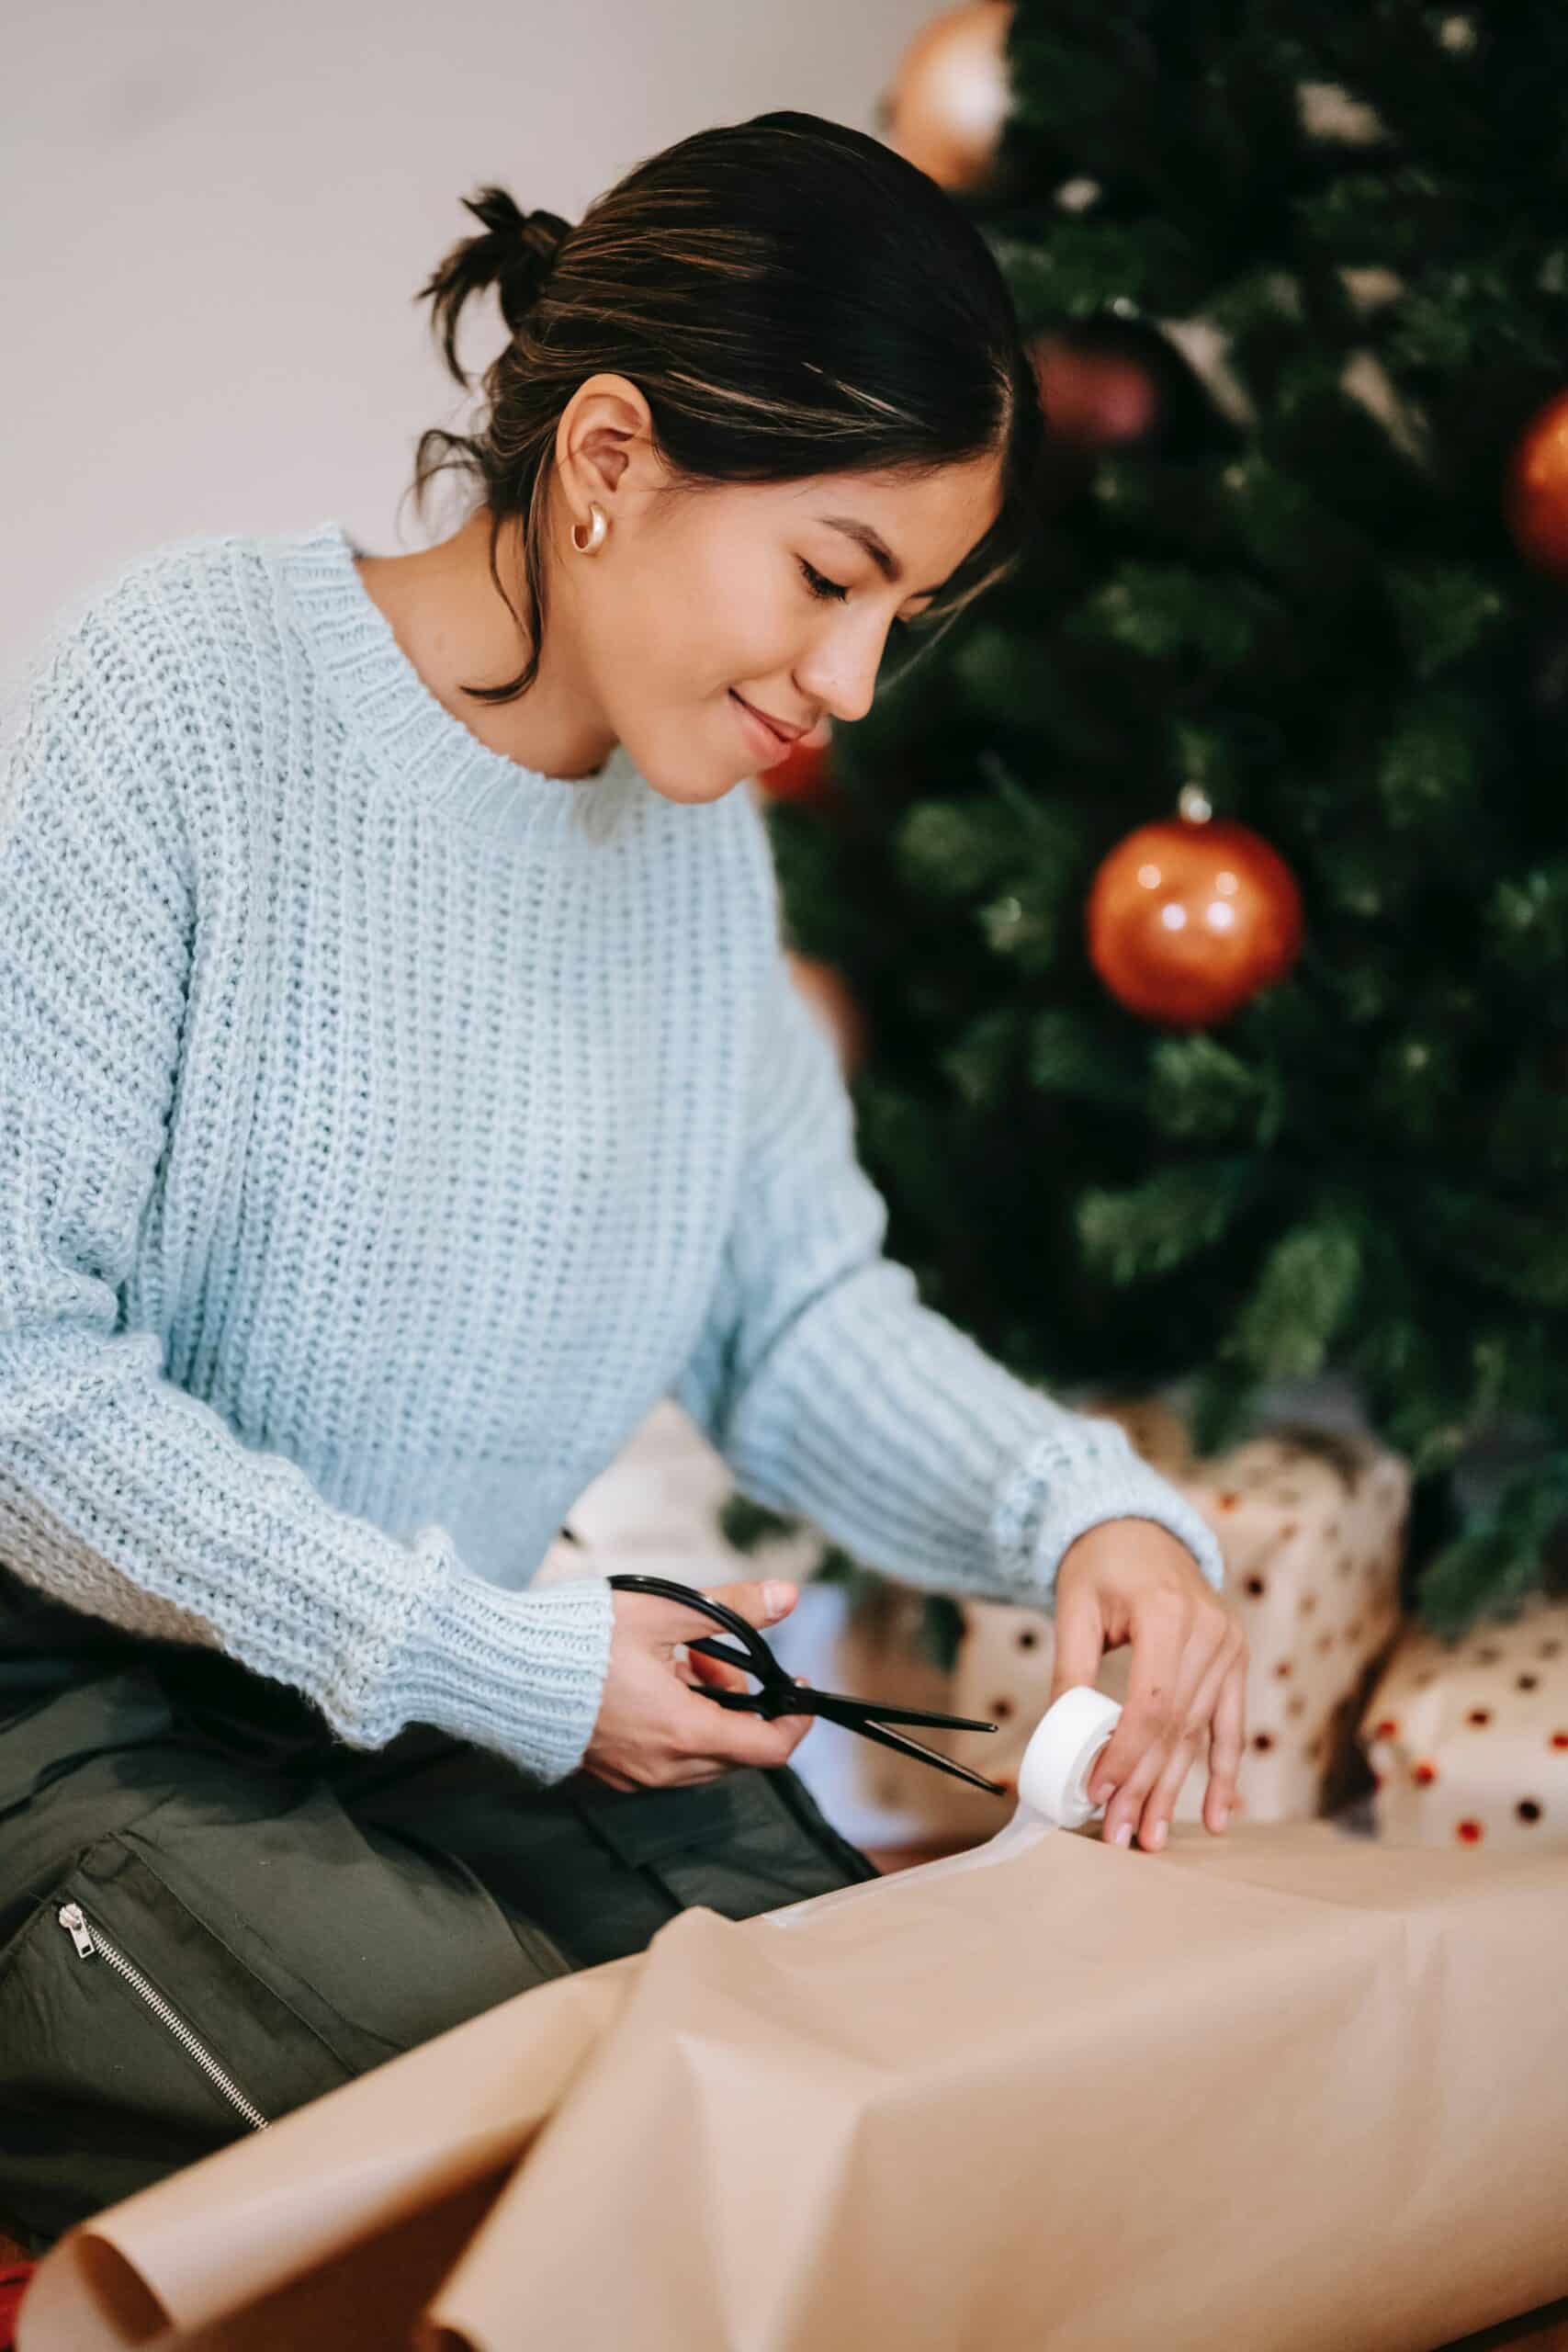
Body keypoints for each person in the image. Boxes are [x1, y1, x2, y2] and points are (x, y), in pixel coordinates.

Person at [0, 110, 1245, 2253]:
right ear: (603, 461)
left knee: (868, 2073)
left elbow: (795, 1308)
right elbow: (20, 1382)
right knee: (616, 2162)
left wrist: (1087, 1503)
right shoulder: (181, 701)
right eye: (833, 578)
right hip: (73, 1698)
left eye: (904, 613)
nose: (848, 684)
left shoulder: (690, 843)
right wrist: (496, 1654)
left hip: (460, 1676)